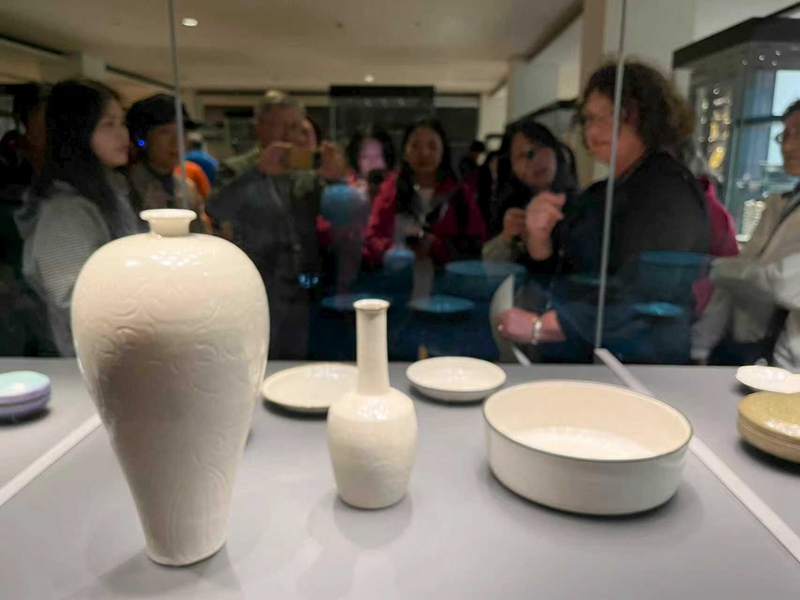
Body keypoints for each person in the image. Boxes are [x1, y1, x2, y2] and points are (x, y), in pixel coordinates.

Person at [498, 61, 710, 363]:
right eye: (589, 119)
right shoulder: (603, 192)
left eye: (612, 117)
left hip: (638, 364)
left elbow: (646, 300)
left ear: (646, 117)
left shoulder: (667, 190)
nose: (594, 131)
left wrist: (542, 327)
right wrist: (539, 240)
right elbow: (571, 278)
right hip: (594, 357)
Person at [206, 91, 346, 359]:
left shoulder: (304, 171)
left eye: (294, 125)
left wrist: (335, 179)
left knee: (297, 360)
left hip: (303, 287)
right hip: (258, 285)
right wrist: (257, 172)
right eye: (278, 124)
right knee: (257, 358)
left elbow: (338, 215)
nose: (288, 134)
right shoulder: (238, 168)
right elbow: (216, 208)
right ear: (258, 127)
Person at [15, 80, 139, 356]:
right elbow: (74, 300)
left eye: (122, 123)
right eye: (108, 124)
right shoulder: (65, 211)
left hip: (119, 347)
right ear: (77, 131)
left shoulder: (109, 192)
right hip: (92, 355)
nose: (122, 134)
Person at [692, 100, 800, 370]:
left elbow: (781, 284)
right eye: (785, 135)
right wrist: (701, 346)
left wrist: (717, 268)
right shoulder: (780, 204)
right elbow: (737, 280)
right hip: (752, 351)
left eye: (799, 134)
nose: (788, 146)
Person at [363, 118, 486, 298]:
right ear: (405, 152)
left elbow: (475, 245)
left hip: (449, 294)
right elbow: (371, 239)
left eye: (432, 146)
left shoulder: (459, 193)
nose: (424, 153)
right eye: (415, 146)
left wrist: (437, 246)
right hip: (397, 290)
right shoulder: (390, 190)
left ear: (443, 151)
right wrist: (394, 250)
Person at [482, 120, 578, 266]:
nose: (535, 159)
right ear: (511, 168)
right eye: (521, 155)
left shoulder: (582, 204)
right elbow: (489, 269)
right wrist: (506, 238)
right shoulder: (511, 211)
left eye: (540, 147)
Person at [126, 94, 207, 231]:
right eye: (165, 132)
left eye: (181, 132)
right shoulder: (125, 186)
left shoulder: (187, 188)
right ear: (142, 138)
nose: (176, 141)